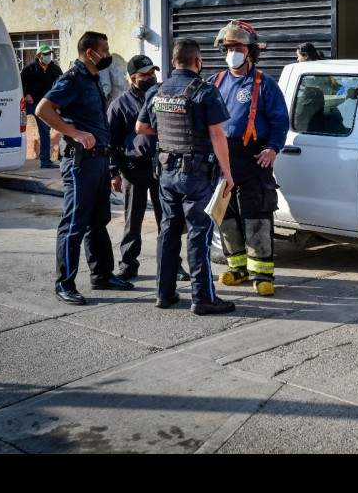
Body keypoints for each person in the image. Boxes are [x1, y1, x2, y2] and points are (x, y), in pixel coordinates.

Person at [136, 38, 235, 315]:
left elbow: (141, 127)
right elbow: (217, 135)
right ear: (198, 62)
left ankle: (164, 294)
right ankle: (202, 298)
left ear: (173, 62)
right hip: (197, 175)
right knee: (198, 235)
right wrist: (228, 174)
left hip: (166, 173)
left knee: (168, 232)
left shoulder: (156, 90)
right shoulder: (206, 91)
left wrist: (168, 133)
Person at [35, 31, 135, 305]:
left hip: (99, 160)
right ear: (90, 52)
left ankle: (101, 274)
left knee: (98, 221)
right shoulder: (72, 79)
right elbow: (43, 109)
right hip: (81, 163)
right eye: (105, 50)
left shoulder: (92, 79)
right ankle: (64, 284)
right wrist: (74, 133)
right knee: (74, 224)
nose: (108, 54)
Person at [208, 20, 290, 296]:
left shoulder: (265, 84)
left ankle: (262, 274)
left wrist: (272, 148)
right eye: (229, 48)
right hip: (222, 160)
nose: (233, 53)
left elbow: (280, 121)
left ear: (251, 52)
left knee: (256, 216)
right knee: (227, 217)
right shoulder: (214, 82)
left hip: (254, 158)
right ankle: (237, 268)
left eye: (238, 48)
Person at [107, 54, 190, 283]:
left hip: (163, 167)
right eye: (145, 75)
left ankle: (173, 264)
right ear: (133, 79)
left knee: (168, 220)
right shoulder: (120, 105)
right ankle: (128, 264)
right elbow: (111, 141)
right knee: (133, 221)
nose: (151, 77)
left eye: (153, 73)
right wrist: (114, 172)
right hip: (134, 169)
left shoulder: (163, 96)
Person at [21, 45, 63, 168]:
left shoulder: (55, 69)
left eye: (49, 54)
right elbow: (20, 84)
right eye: (45, 54)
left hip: (45, 106)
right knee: (16, 127)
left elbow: (61, 84)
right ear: (39, 56)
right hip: (30, 104)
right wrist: (26, 94)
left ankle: (45, 160)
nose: (48, 56)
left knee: (45, 132)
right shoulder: (29, 69)